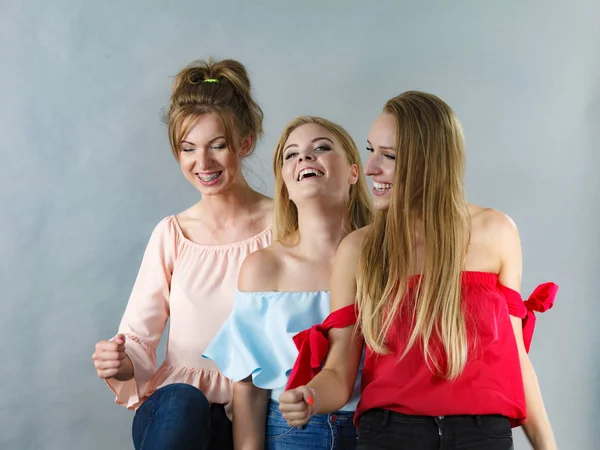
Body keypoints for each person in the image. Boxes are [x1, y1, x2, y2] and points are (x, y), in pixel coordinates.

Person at [279, 91, 558, 450]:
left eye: (389, 156)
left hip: (482, 436)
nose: (370, 168)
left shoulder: (498, 232)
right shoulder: (358, 250)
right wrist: (311, 396)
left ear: (431, 162)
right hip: (389, 436)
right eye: (370, 150)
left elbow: (518, 361)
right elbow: (338, 372)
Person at [91, 58, 273, 450]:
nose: (201, 163)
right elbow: (137, 338)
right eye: (188, 148)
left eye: (217, 146)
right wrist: (119, 363)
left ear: (246, 142)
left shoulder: (284, 226)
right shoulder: (173, 234)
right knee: (184, 402)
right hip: (177, 415)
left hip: (257, 411)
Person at [202, 116, 373, 449]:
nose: (304, 158)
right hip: (291, 434)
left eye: (321, 148)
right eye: (291, 155)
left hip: (375, 429)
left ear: (354, 172)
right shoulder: (263, 267)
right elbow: (249, 388)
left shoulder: (385, 258)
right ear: (285, 183)